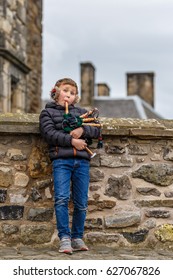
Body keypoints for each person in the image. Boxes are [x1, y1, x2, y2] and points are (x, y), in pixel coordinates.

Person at [39, 78, 100, 254]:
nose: (68, 95)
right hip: (61, 161)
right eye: (66, 90)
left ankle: (77, 237)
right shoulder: (47, 113)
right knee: (62, 199)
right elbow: (49, 134)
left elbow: (97, 129)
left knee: (81, 202)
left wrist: (83, 130)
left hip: (82, 162)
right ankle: (64, 238)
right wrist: (72, 141)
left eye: (72, 93)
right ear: (56, 91)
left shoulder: (81, 113)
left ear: (76, 97)